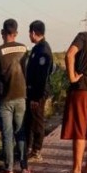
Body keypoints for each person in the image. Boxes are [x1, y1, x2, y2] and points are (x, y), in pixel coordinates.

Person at [0, 18, 30, 173]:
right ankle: (24, 167)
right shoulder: (24, 49)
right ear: (16, 33)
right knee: (21, 132)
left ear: (2, 33)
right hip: (21, 97)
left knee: (7, 134)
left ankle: (9, 169)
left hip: (4, 99)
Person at [61, 11, 87, 173]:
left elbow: (69, 55)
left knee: (79, 131)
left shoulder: (84, 36)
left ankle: (76, 170)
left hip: (82, 90)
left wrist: (72, 77)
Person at [25, 20, 54, 161]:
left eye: (29, 33)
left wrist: (36, 98)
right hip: (32, 92)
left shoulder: (43, 50)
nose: (29, 36)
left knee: (37, 121)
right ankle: (30, 149)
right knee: (31, 121)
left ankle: (37, 151)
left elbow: (42, 77)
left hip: (38, 93)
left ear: (33, 33)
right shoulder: (37, 48)